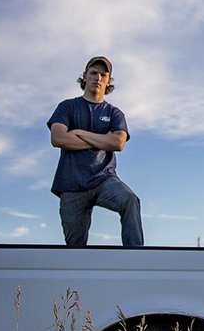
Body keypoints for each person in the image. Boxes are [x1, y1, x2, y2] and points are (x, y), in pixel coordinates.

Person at [47, 56, 144, 247]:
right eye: (93, 73)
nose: (97, 77)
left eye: (103, 74)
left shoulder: (114, 113)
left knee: (130, 200)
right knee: (75, 248)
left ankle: (136, 256)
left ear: (108, 81)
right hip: (71, 184)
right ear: (84, 77)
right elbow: (58, 138)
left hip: (104, 179)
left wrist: (80, 133)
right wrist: (102, 140)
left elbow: (118, 143)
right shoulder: (67, 107)